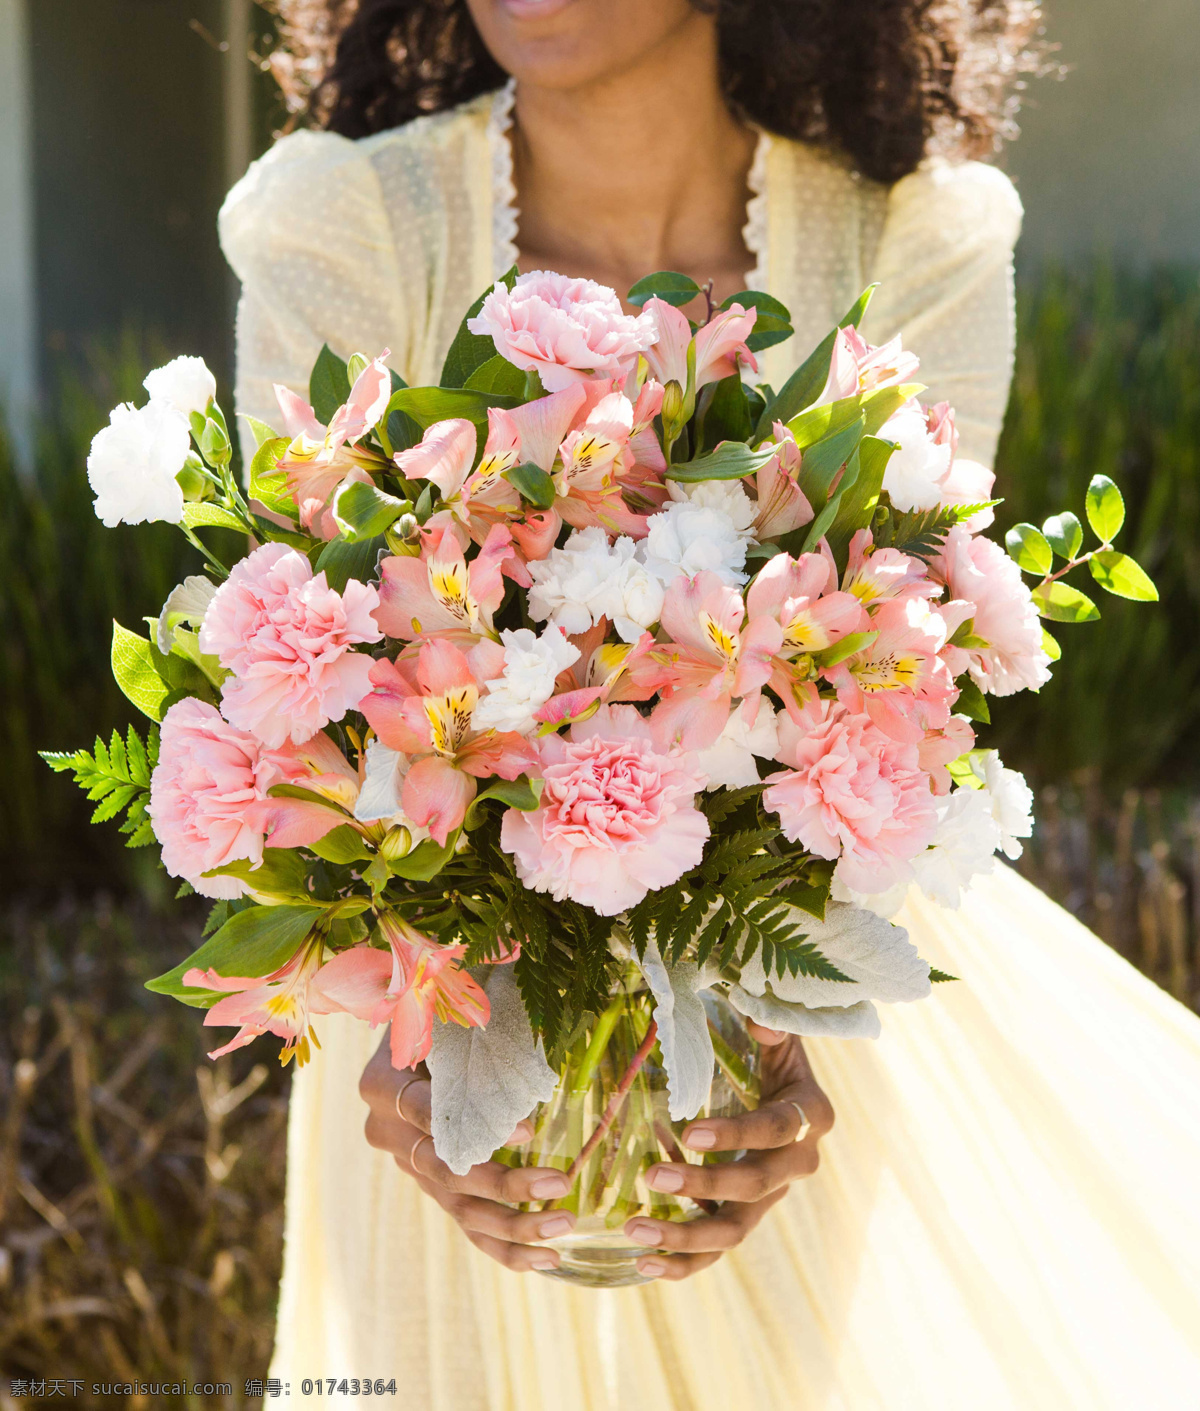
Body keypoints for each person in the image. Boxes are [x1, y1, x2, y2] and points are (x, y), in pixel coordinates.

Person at [220, 2, 1200, 1405]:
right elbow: (297, 696)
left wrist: (770, 1042)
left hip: (788, 1067)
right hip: (440, 1070)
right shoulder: (345, 223)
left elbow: (898, 701)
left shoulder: (913, 241)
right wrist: (412, 1061)